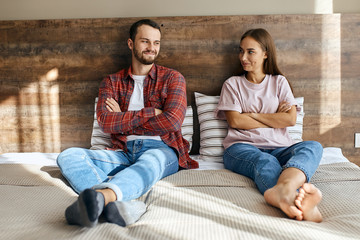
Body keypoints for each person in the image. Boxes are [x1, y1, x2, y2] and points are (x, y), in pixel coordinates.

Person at [57, 19, 198, 228]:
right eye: (145, 41)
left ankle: (102, 198)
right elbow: (105, 122)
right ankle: (120, 205)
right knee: (68, 156)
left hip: (161, 148)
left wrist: (123, 118)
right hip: (121, 151)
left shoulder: (172, 78)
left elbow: (172, 121)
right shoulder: (111, 82)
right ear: (131, 44)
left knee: (150, 164)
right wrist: (149, 112)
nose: (152, 48)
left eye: (156, 43)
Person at [215, 28, 323, 222]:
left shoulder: (279, 82)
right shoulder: (232, 84)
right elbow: (236, 121)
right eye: (241, 51)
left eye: (250, 51)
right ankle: (296, 201)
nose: (243, 57)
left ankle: (287, 191)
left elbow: (289, 120)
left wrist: (253, 114)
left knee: (313, 147)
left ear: (266, 54)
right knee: (265, 161)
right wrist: (274, 117)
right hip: (241, 147)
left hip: (281, 147)